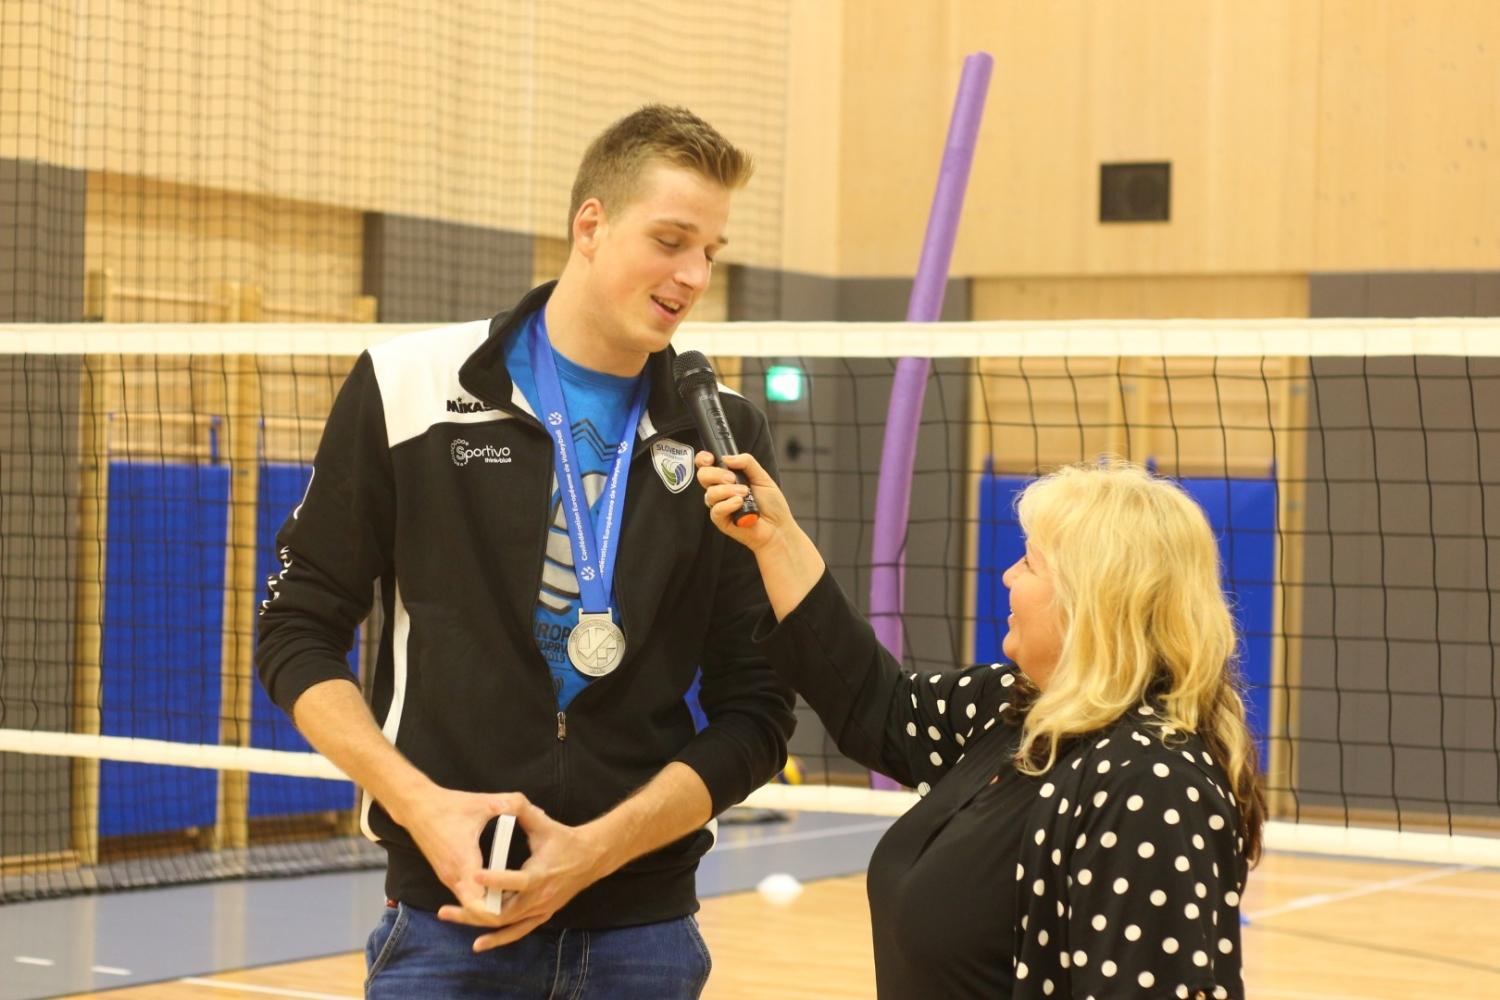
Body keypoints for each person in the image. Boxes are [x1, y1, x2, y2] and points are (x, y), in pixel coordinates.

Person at [256, 105, 796, 999]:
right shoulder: (408, 386)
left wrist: (596, 851)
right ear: (591, 224)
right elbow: (294, 629)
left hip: (645, 935)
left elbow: (760, 711)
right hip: (447, 921)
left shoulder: (719, 432)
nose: (694, 275)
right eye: (671, 241)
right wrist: (420, 806)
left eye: (712, 252)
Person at [697, 452, 1265, 1000]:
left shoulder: (1147, 780)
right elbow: (875, 704)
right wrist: (776, 540)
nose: (1009, 574)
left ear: (1092, 601)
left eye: (1031, 563)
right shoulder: (1016, 709)